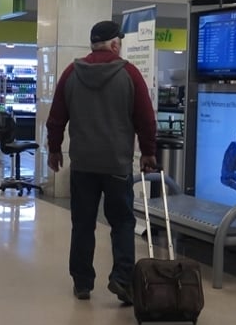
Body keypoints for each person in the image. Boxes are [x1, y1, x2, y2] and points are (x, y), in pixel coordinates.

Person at [46, 20, 158, 304]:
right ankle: (122, 279)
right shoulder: (129, 74)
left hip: (83, 163)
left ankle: (82, 283)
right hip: (117, 164)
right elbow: (145, 119)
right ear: (115, 44)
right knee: (121, 222)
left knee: (82, 223)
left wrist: (55, 149)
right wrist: (148, 152)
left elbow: (56, 117)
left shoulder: (71, 73)